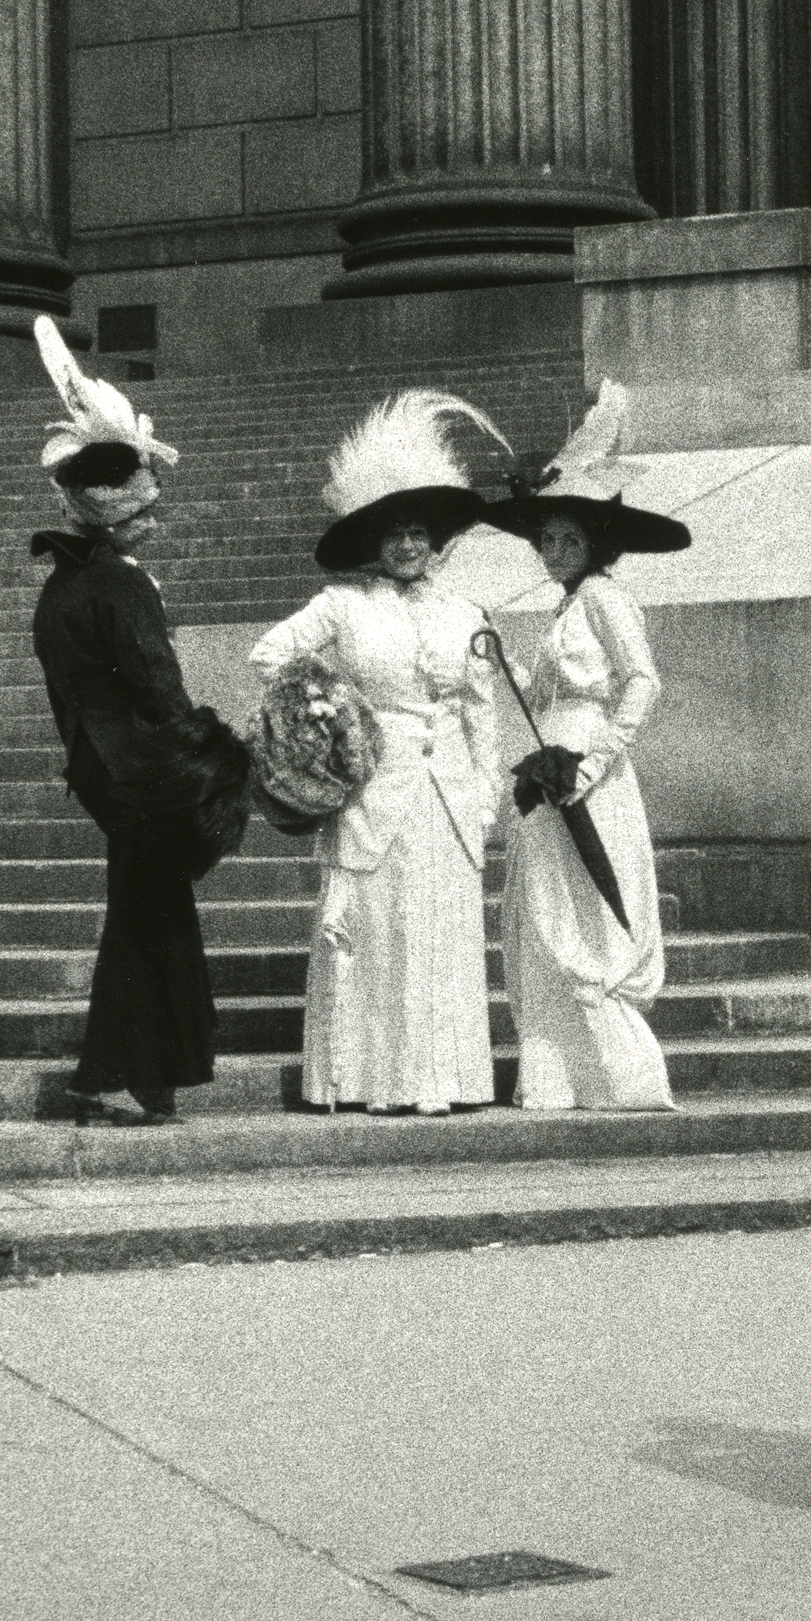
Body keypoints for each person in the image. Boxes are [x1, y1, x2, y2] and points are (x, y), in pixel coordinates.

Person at [248, 391, 506, 1115]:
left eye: (419, 532)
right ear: (373, 539)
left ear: (435, 539)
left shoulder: (465, 612)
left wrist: (485, 797)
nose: (407, 546)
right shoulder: (343, 604)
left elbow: (482, 713)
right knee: (379, 934)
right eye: (393, 533)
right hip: (372, 792)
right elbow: (269, 656)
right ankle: (366, 1080)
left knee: (439, 937)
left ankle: (443, 1081)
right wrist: (332, 715)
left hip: (448, 795)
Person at [27, 317, 248, 1129]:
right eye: (143, 507)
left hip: (102, 768)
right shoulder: (117, 585)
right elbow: (157, 684)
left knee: (146, 906)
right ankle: (130, 1067)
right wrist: (205, 754)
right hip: (137, 773)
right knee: (150, 911)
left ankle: (140, 1066)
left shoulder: (68, 584)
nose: (154, 516)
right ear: (116, 518)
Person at [477, 382, 690, 1111]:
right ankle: (558, 1071)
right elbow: (544, 698)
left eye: (569, 538)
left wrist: (598, 758)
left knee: (586, 910)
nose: (555, 550)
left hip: (588, 770)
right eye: (547, 539)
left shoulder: (603, 597)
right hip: (550, 766)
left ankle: (615, 1072)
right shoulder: (564, 608)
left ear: (595, 544)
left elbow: (642, 680)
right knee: (545, 904)